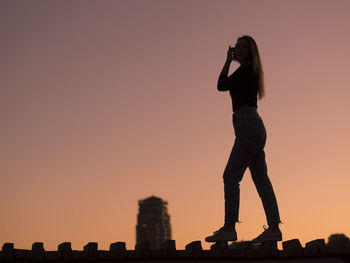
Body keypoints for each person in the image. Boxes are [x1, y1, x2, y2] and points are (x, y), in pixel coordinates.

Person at [205, 35, 282, 243]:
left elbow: (221, 85)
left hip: (248, 125)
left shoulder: (247, 70)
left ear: (250, 51)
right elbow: (222, 86)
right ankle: (274, 228)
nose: (237, 50)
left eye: (242, 47)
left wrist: (229, 61)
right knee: (261, 180)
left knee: (230, 176)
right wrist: (229, 60)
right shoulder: (247, 70)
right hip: (250, 126)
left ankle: (229, 227)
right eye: (236, 47)